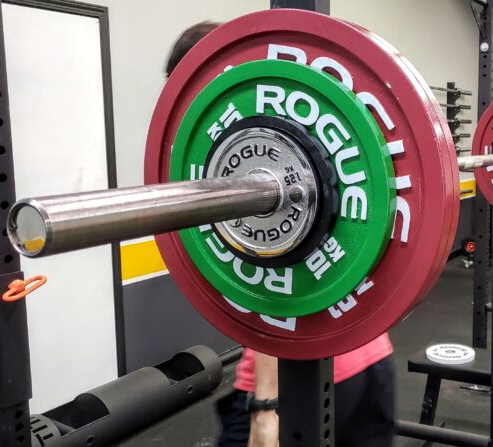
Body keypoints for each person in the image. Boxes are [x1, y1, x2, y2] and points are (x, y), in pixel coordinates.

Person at [165, 22, 397, 447]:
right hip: (370, 355)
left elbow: (280, 300)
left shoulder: (256, 149)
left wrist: (265, 410)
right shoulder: (313, 130)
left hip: (296, 377)